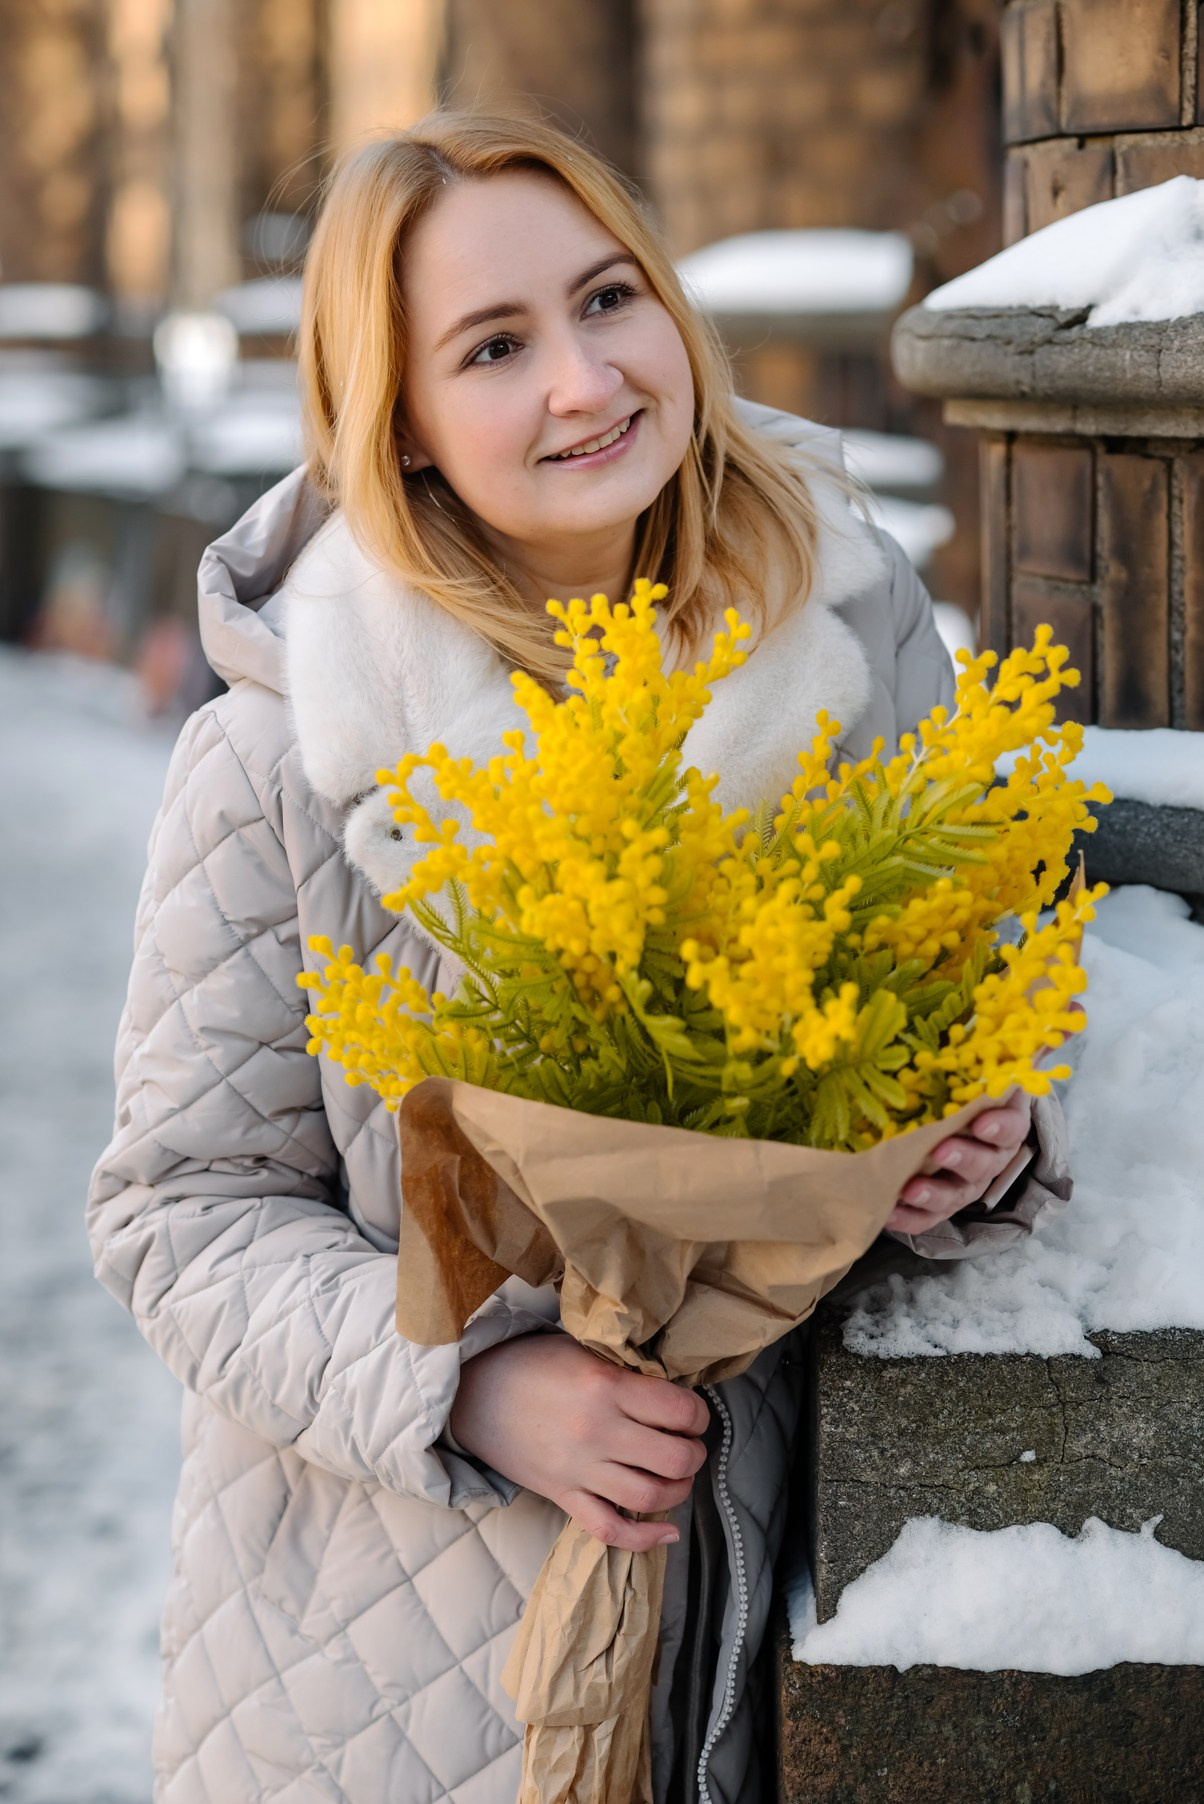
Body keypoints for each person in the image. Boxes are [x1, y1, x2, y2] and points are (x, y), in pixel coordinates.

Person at [88, 112, 1070, 1804]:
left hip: (766, 1611)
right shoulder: (283, 754)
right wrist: (468, 1385)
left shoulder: (850, 632)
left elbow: (972, 987)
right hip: (387, 1675)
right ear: (397, 424)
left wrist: (966, 1142)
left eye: (610, 298)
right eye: (493, 346)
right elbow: (177, 1213)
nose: (585, 380)